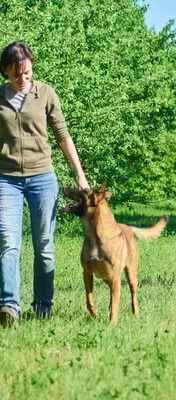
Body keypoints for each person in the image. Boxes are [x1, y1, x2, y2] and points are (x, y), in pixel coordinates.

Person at [0, 42, 89, 327]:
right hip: (6, 180)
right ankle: (9, 307)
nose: (23, 79)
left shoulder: (46, 93)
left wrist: (79, 173)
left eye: (27, 73)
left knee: (45, 246)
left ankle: (42, 306)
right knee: (8, 244)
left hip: (42, 178)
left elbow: (62, 135)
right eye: (16, 75)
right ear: (5, 72)